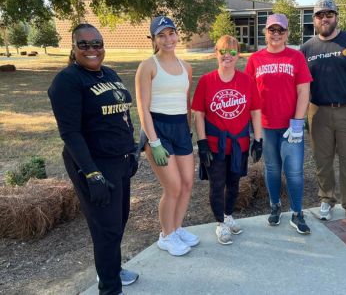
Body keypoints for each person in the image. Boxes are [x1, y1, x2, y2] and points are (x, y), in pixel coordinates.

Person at [48, 23, 139, 295]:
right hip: (94, 162)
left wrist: (132, 148)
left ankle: (112, 269)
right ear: (74, 48)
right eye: (84, 45)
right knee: (106, 229)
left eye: (97, 43)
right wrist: (91, 173)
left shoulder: (109, 73)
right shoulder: (68, 81)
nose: (92, 49)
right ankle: (110, 288)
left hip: (119, 159)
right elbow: (70, 132)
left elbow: (123, 113)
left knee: (119, 220)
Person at [300, 0, 346, 227]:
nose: (325, 18)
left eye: (329, 14)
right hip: (318, 112)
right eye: (320, 15)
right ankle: (326, 199)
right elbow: (300, 85)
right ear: (314, 20)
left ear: (336, 17)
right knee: (322, 160)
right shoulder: (307, 49)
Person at [135, 15, 199, 256]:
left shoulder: (187, 67)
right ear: (154, 39)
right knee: (172, 187)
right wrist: (153, 141)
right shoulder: (148, 66)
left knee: (187, 184)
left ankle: (177, 228)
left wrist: (188, 129)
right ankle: (166, 235)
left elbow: (186, 101)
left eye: (170, 33)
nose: (167, 39)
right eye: (161, 35)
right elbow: (142, 107)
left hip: (180, 130)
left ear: (177, 34)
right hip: (157, 130)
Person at [245, 14, 313, 234]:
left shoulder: (296, 57)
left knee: (294, 171)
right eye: (271, 30)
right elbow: (248, 92)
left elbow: (304, 90)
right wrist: (251, 127)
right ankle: (275, 206)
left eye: (280, 30)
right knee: (272, 169)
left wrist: (298, 122)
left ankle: (297, 212)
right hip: (265, 126)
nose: (276, 34)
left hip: (290, 126)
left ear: (287, 33)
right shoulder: (255, 59)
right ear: (265, 32)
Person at [192, 35, 262, 245]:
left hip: (238, 144)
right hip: (215, 145)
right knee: (217, 184)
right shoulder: (206, 81)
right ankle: (220, 222)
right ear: (216, 53)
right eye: (223, 51)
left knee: (233, 183)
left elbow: (255, 111)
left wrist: (258, 140)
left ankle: (229, 215)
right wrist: (202, 142)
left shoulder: (246, 81)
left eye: (232, 52)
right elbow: (198, 114)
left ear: (238, 55)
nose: (227, 56)